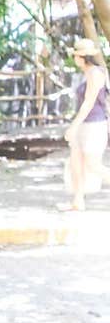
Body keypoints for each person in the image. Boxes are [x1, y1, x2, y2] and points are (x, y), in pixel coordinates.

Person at [59, 37, 110, 211]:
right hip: (84, 124)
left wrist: (73, 126)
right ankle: (77, 201)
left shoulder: (96, 73)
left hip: (94, 124)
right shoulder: (86, 74)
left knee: (93, 164)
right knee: (76, 161)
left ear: (82, 57)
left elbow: (89, 102)